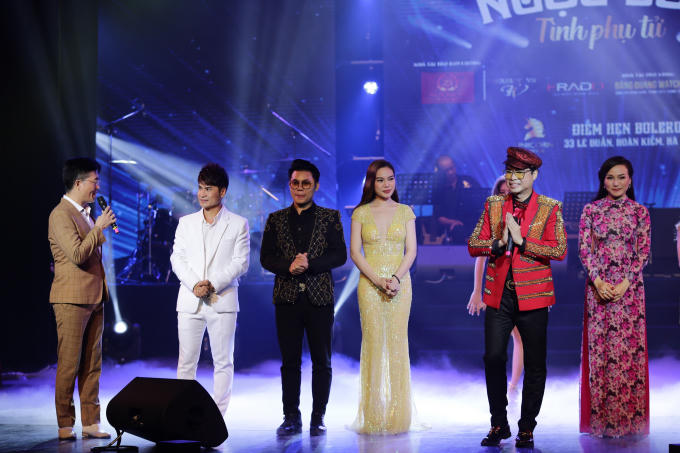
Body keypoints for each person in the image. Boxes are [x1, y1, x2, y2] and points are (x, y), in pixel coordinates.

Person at [468, 147, 567, 449]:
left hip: (534, 295)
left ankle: (527, 427)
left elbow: (559, 249)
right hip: (499, 295)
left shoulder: (549, 207)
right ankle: (499, 423)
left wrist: (523, 242)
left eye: (519, 173)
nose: (512, 178)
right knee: (493, 357)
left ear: (533, 175)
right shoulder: (494, 205)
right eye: (509, 172)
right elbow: (473, 243)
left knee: (535, 363)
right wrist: (496, 244)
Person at [260, 159, 347, 436]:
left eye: (305, 183)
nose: (299, 188)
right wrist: (289, 265)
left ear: (316, 186)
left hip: (320, 298)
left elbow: (340, 255)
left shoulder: (330, 217)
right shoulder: (275, 219)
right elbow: (265, 257)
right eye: (295, 183)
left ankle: (318, 417)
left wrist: (310, 264)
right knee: (290, 362)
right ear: (289, 185)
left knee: (322, 361)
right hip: (286, 299)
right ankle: (290, 416)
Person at [578, 156, 651, 438]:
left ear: (630, 180)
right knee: (602, 353)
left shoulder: (640, 212)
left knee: (629, 353)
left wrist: (626, 282)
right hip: (599, 289)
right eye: (610, 177)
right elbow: (585, 250)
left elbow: (643, 252)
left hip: (630, 290)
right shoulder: (591, 210)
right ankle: (604, 422)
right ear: (603, 181)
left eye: (621, 177)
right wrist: (597, 281)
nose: (616, 183)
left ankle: (630, 421)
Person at [170, 163, 250, 416]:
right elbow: (177, 258)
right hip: (189, 300)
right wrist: (195, 284)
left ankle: (217, 418)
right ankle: (183, 415)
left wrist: (211, 284)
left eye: (208, 188)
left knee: (223, 362)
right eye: (200, 188)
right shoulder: (186, 223)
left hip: (221, 300)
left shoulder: (238, 224)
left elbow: (241, 262)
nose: (202, 193)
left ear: (222, 191)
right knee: (186, 362)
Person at [48, 157, 117, 440]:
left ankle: (91, 422)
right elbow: (77, 255)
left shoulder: (86, 213)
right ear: (78, 183)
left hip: (94, 296)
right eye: (94, 181)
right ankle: (65, 424)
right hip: (71, 299)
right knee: (69, 363)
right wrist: (98, 228)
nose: (97, 187)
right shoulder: (60, 214)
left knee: (92, 364)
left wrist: (96, 226)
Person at [349, 160, 418, 434]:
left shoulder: (405, 211)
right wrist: (378, 280)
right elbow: (355, 253)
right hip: (369, 285)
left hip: (401, 285)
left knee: (398, 345)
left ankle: (398, 416)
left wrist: (396, 279)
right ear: (371, 182)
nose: (387, 184)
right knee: (374, 344)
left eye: (390, 178)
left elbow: (411, 251)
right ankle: (373, 416)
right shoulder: (360, 213)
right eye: (380, 180)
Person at [467, 176, 524, 395]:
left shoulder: (527, 219)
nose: (506, 196)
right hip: (498, 285)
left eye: (509, 192)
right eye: (501, 193)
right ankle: (501, 385)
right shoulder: (490, 221)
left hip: (521, 284)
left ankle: (513, 386)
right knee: (498, 341)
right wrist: (476, 291)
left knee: (519, 337)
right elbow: (480, 258)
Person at [428, 155, 479, 244]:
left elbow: (480, 204)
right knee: (458, 231)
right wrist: (453, 222)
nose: (450, 172)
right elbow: (438, 216)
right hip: (452, 229)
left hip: (473, 225)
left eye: (452, 168)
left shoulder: (469, 181)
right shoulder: (438, 190)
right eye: (446, 170)